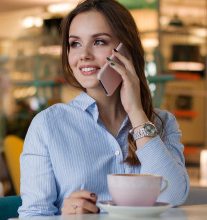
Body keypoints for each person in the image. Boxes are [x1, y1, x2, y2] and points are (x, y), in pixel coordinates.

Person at [18, 0, 189, 217]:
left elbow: (172, 196)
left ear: (126, 49)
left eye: (99, 41)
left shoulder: (163, 122)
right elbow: (32, 214)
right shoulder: (47, 125)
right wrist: (63, 216)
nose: (84, 55)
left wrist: (135, 111)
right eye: (75, 44)